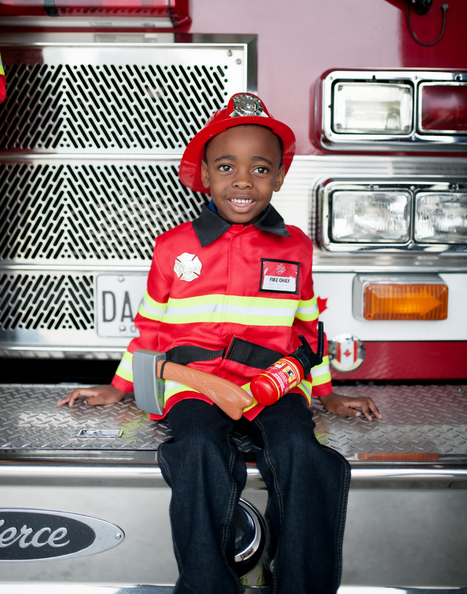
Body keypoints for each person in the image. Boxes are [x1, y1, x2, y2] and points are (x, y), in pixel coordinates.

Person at [59, 92, 381, 594]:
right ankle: (208, 584)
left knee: (303, 451)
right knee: (199, 451)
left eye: (260, 168)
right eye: (227, 166)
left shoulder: (295, 245)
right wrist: (119, 387)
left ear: (277, 178)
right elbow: (150, 325)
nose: (243, 181)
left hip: (272, 386)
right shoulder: (173, 246)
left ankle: (300, 583)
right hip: (196, 387)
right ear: (205, 176)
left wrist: (325, 394)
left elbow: (307, 330)